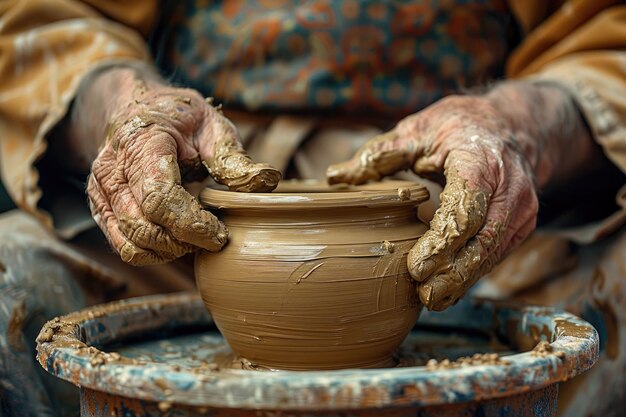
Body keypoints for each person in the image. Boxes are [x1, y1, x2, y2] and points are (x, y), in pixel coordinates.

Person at [0, 1, 624, 416]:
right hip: (200, 196)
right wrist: (128, 109)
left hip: (462, 199)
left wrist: (517, 126)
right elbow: (46, 20)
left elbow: (606, 35)